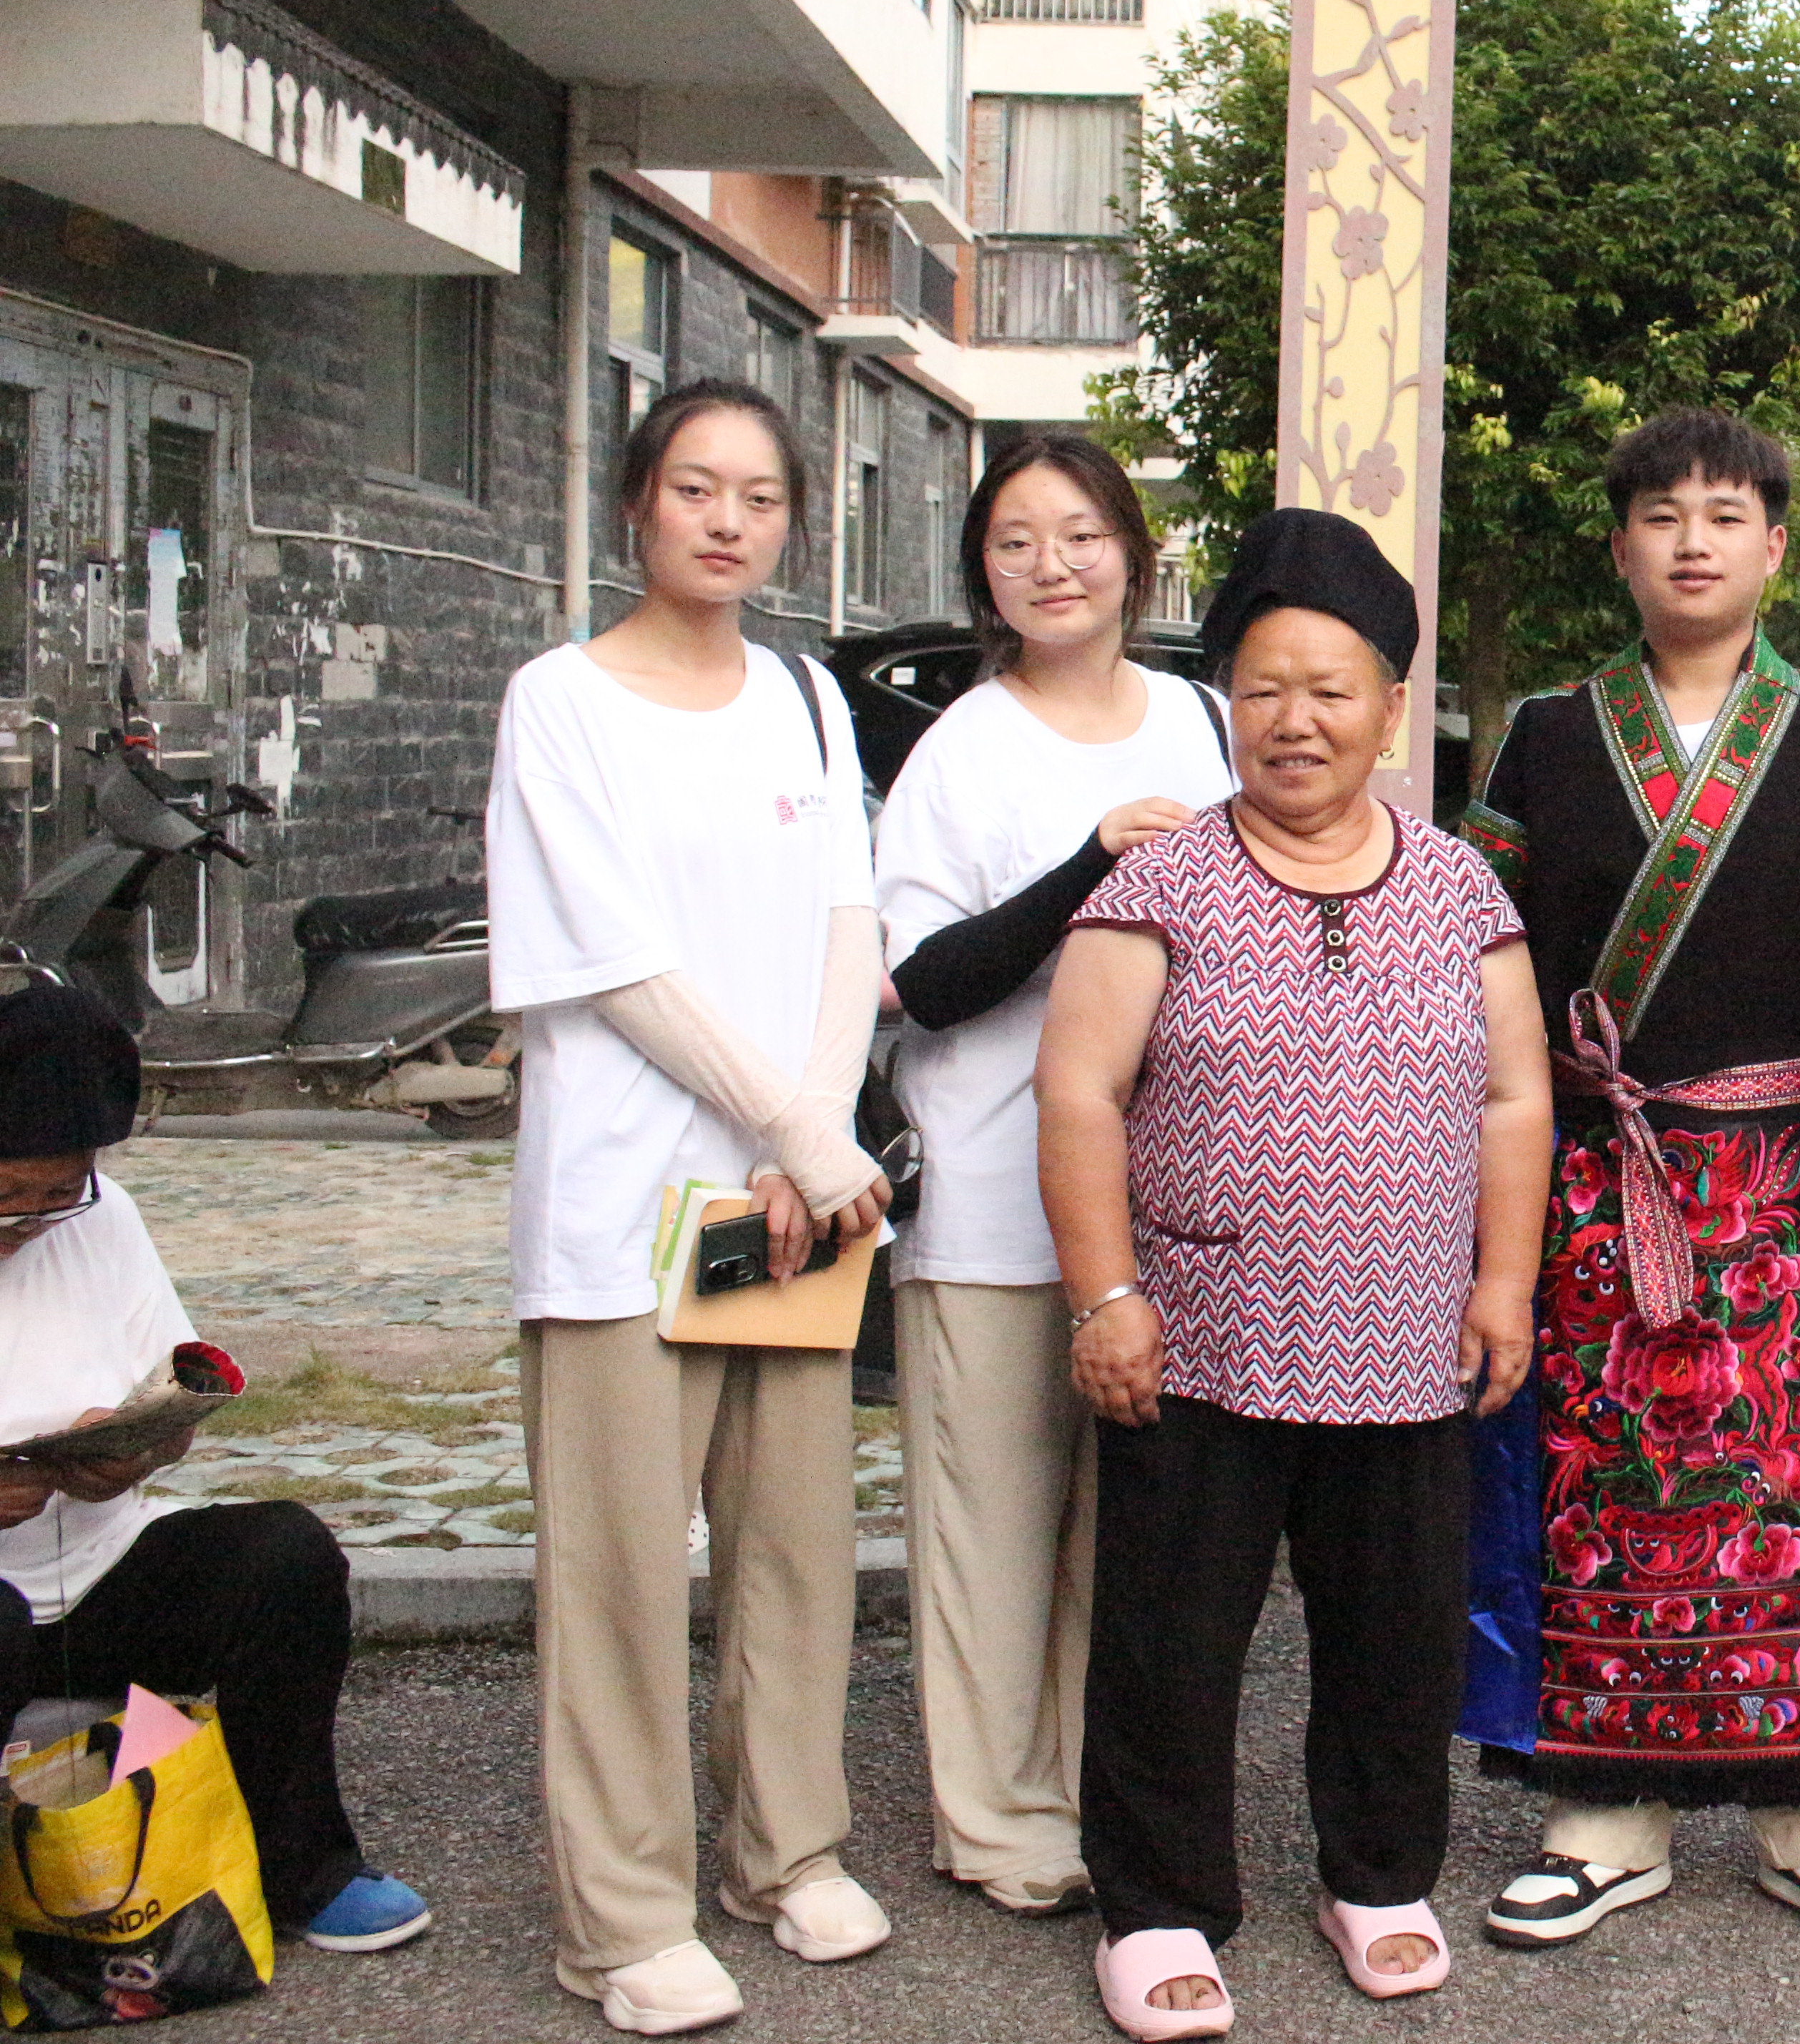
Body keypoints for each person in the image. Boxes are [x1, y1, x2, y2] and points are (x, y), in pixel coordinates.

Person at [1457, 409, 1800, 1962]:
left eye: (1726, 513)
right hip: (1595, 1178)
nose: (1693, 539)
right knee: (1590, 1488)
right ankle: (1600, 1814)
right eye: (1662, 513)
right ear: (1620, 546)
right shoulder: (1547, 736)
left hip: (1798, 1169)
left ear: (1775, 546)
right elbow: (1478, 961)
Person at [1036, 508, 1550, 2035]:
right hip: (1200, 1333)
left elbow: (1516, 1098)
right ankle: (1158, 1904)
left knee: (1396, 1631)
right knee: (1169, 1640)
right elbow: (1078, 1095)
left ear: (1391, 708)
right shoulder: (1160, 884)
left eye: (1330, 689)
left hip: (1405, 1338)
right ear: (1229, 706)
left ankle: (1379, 1876)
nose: (1295, 720)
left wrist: (1503, 1282)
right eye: (1262, 688)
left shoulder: (1462, 889)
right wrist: (1106, 1295)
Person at [488, 380, 897, 2035]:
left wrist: (809, 1144)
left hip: (779, 1204)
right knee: (618, 1574)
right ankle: (626, 1917)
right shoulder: (561, 701)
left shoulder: (806, 697)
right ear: (636, 504)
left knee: (792, 1543)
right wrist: (802, 1128)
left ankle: (787, 1851)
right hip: (626, 1203)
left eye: (759, 496)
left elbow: (851, 921)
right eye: (693, 488)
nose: (727, 520)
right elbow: (616, 961)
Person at [875, 433, 1234, 1920]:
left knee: (1131, 1544)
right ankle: (998, 1819)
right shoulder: (965, 747)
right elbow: (921, 979)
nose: (1052, 565)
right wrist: (1094, 862)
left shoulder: (1203, 720)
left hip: (1172, 1212)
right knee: (993, 1533)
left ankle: (1101, 1796)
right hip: (990, 1205)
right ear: (983, 575)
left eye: (1079, 533)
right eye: (1014, 541)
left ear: (1133, 551)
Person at [0, 988, 431, 1961]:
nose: (35, 1220)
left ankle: (304, 1868)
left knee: (282, 1553)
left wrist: (136, 1449)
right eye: (13, 1195)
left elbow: (169, 1387)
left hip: (98, 1575)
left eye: (62, 1193)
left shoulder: (103, 1219)